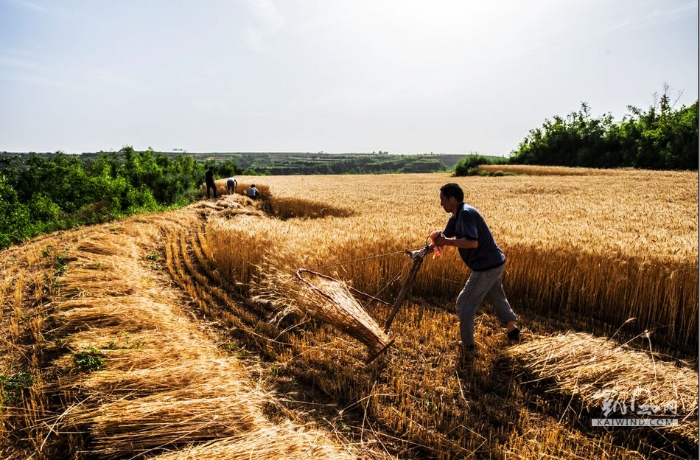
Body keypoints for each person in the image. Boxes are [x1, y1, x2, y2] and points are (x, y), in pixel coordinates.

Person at [430, 183, 519, 361]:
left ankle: (468, 345)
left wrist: (446, 242)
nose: (441, 204)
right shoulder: (455, 217)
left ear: (452, 199)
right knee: (497, 296)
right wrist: (427, 247)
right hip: (495, 262)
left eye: (442, 200)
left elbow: (472, 242)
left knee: (464, 303)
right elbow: (443, 238)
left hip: (486, 266)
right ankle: (512, 328)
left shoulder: (466, 214)